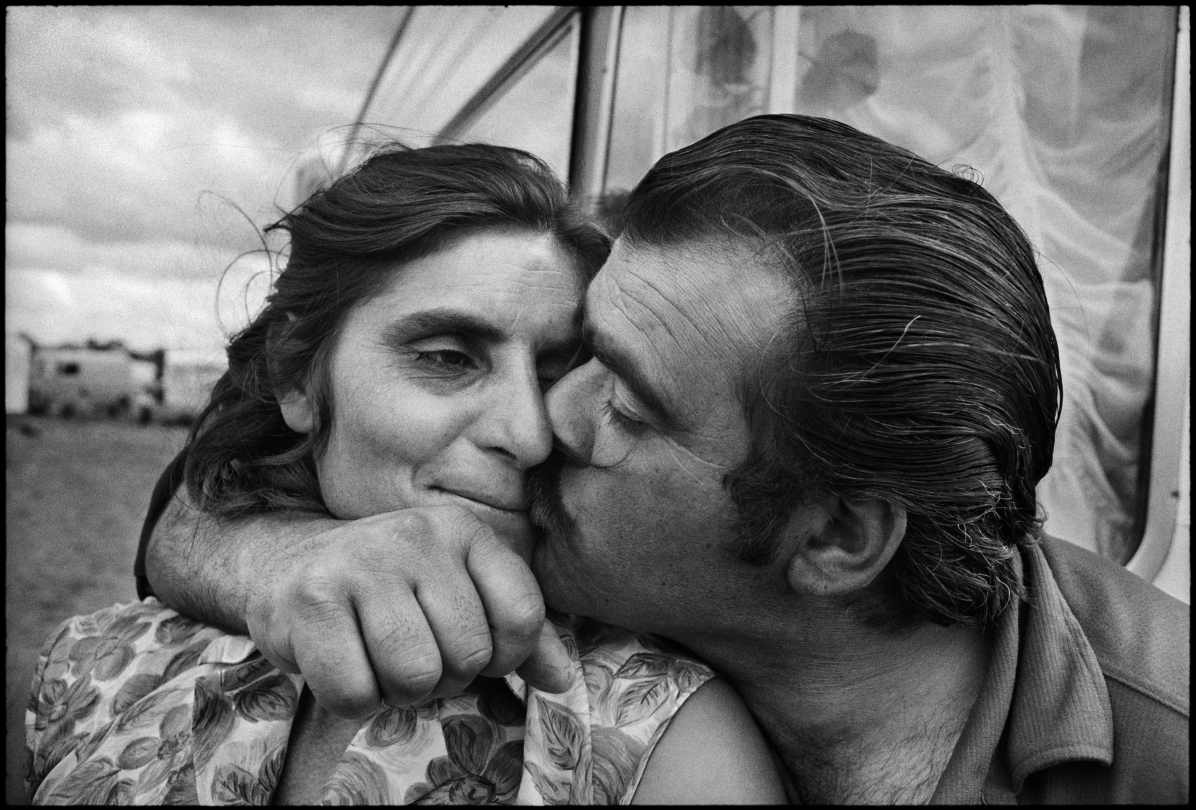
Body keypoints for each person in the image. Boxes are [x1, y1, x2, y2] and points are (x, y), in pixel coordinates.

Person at [111, 114, 1186, 803]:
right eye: (586, 343)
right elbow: (207, 490)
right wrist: (277, 560)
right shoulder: (597, 557)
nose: (537, 428)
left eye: (619, 396)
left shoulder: (1159, 755)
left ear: (836, 539)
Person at [24, 142, 785, 805]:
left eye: (558, 371)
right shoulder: (97, 667)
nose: (527, 432)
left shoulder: (657, 736)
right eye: (448, 359)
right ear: (297, 374)